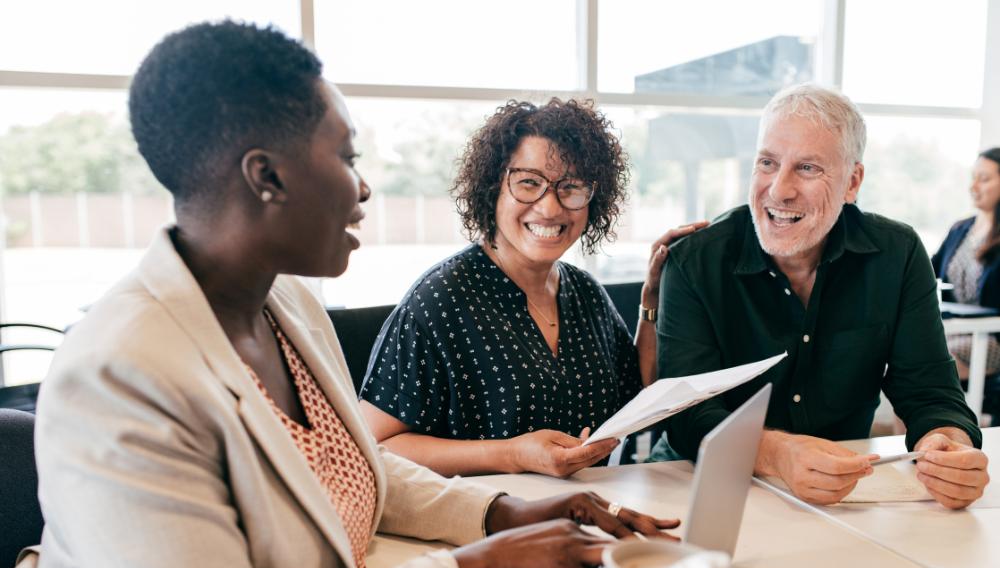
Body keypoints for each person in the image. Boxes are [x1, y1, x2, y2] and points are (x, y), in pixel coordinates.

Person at [0, 22, 681, 568]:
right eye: (347, 158)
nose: (363, 191)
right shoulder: (120, 374)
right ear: (266, 175)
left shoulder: (287, 304)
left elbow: (347, 461)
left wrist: (503, 515)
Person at [654, 83, 989, 509]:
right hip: (701, 480)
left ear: (852, 182)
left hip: (840, 491)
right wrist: (777, 454)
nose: (778, 189)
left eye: (807, 168)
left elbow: (930, 392)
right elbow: (687, 414)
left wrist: (948, 446)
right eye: (767, 163)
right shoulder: (695, 261)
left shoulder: (898, 254)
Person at [360, 99, 705, 477]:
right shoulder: (440, 301)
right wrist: (512, 454)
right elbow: (376, 446)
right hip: (485, 522)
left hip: (588, 513)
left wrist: (651, 299)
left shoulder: (584, 292)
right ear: (493, 188)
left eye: (571, 187)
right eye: (529, 183)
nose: (551, 208)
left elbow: (638, 392)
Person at [932, 147, 1000, 380]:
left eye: (984, 179)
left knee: (932, 365)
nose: (974, 187)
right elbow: (926, 271)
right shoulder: (960, 229)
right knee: (905, 359)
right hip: (955, 330)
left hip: (991, 337)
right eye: (973, 178)